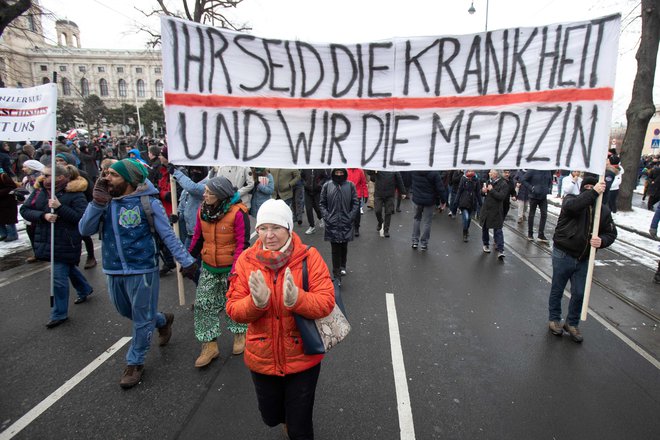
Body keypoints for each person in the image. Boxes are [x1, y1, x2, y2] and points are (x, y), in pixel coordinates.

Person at [79, 158, 198, 389]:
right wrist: (96, 204)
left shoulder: (147, 203)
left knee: (142, 318)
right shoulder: (104, 203)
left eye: (113, 174)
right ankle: (163, 320)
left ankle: (135, 362)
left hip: (143, 269)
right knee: (127, 311)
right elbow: (84, 229)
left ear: (129, 179)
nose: (106, 178)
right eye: (106, 174)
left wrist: (186, 261)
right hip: (113, 269)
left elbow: (168, 236)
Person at [225, 199, 335, 440]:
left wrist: (298, 299)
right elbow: (233, 309)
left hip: (302, 357)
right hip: (262, 357)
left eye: (276, 227)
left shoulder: (309, 257)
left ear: (288, 228)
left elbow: (326, 302)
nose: (269, 235)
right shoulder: (246, 260)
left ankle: (296, 427)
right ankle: (286, 421)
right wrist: (257, 303)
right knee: (271, 415)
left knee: (300, 425)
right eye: (263, 228)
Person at [188, 176, 250, 367]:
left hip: (231, 268)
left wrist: (235, 270)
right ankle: (209, 345)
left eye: (209, 192)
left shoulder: (239, 213)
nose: (204, 194)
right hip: (209, 266)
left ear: (220, 195)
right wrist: (187, 258)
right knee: (203, 305)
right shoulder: (202, 211)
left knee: (234, 303)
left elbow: (243, 243)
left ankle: (240, 334)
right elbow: (198, 237)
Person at [20, 164, 92, 327]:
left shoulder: (75, 194)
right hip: (47, 239)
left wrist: (59, 208)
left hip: (67, 240)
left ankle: (59, 313)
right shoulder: (39, 191)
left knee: (58, 278)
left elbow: (81, 218)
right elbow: (24, 210)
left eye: (47, 175)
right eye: (43, 175)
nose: (43, 178)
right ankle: (84, 288)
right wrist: (43, 215)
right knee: (68, 268)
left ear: (60, 177)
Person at [548, 174, 617, 342]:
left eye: (593, 187)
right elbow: (573, 207)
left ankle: (572, 323)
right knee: (557, 289)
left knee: (579, 293)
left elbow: (611, 232)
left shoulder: (603, 209)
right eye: (587, 187)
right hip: (563, 253)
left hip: (583, 258)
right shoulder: (571, 200)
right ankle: (554, 319)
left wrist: (602, 241)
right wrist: (592, 192)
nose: (590, 190)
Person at [320, 168, 359, 285]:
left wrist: (350, 217)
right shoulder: (327, 186)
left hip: (345, 222)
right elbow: (322, 203)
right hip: (332, 223)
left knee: (343, 246)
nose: (339, 174)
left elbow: (355, 202)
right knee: (335, 249)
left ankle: (343, 265)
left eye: (341, 172)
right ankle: (336, 275)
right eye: (337, 172)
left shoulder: (350, 186)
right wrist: (327, 217)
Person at [410, 170, 447, 251]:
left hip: (417, 199)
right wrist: (443, 201)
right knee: (427, 222)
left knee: (416, 219)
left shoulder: (415, 170)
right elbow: (440, 188)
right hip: (429, 201)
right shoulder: (434, 173)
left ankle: (415, 241)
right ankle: (424, 243)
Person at [480, 169, 509, 260]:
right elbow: (483, 194)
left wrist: (491, 190)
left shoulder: (503, 184)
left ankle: (501, 250)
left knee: (498, 230)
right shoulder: (488, 182)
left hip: (496, 210)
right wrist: (483, 191)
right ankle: (486, 244)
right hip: (487, 209)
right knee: (485, 227)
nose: (489, 173)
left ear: (496, 174)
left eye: (491, 172)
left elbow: (501, 197)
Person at [367, 170, 406, 238]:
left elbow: (399, 180)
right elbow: (370, 176)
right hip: (379, 194)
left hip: (390, 194)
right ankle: (380, 222)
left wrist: (403, 192)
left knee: (388, 212)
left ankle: (386, 230)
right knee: (377, 211)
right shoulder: (378, 167)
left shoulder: (394, 169)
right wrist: (373, 170)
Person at [522, 169, 553, 243]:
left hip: (543, 196)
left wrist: (549, 188)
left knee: (544, 214)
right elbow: (523, 180)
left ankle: (541, 234)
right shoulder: (532, 170)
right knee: (532, 214)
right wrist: (531, 188)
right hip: (533, 196)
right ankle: (530, 233)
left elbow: (550, 181)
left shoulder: (547, 170)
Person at [454, 170, 482, 242]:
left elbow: (478, 192)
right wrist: (456, 201)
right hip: (464, 201)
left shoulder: (476, 180)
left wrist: (480, 202)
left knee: (469, 219)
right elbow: (459, 190)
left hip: (472, 202)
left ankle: (466, 228)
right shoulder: (463, 179)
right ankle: (465, 233)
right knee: (466, 218)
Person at [301, 168, 329, 235]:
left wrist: (319, 184)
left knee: (318, 208)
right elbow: (301, 177)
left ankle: (320, 217)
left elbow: (325, 177)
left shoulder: (320, 168)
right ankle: (312, 226)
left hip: (317, 191)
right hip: (307, 191)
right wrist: (305, 183)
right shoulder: (305, 168)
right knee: (308, 208)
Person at [346, 168, 367, 236]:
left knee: (357, 212)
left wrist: (365, 194)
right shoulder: (346, 171)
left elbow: (363, 183)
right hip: (346, 194)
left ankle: (356, 227)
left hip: (357, 195)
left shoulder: (360, 171)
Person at [0, 167, 19, 242]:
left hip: (7, 202)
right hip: (2, 203)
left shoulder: (3, 176)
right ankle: (3, 234)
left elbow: (12, 187)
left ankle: (12, 235)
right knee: (1, 220)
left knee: (9, 219)